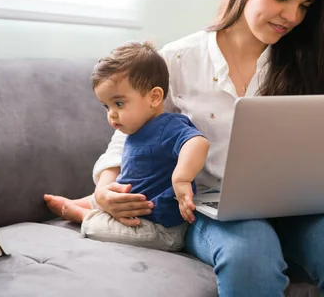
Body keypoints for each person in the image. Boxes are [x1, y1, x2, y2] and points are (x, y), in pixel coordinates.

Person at [48, 0, 324, 296]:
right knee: (250, 255)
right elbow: (125, 139)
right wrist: (104, 190)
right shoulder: (179, 60)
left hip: (302, 208)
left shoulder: (309, 63)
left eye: (305, 6)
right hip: (212, 210)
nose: (292, 16)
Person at [45, 41, 209, 252]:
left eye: (119, 104)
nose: (111, 114)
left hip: (162, 227)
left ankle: (83, 215)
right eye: (107, 106)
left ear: (154, 97)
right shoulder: (134, 130)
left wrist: (182, 178)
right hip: (133, 210)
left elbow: (197, 142)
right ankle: (88, 203)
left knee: (97, 228)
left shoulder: (168, 126)